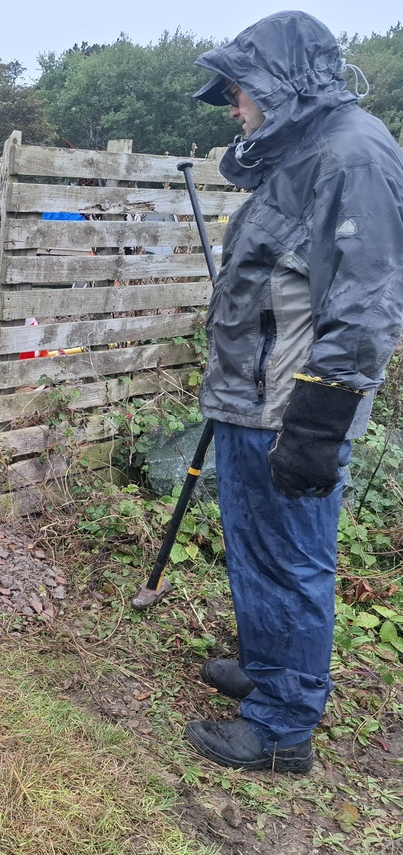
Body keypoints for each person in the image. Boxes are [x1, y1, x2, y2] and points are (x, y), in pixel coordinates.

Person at [185, 11, 403, 773]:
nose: (234, 107)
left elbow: (367, 302)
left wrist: (318, 422)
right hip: (252, 398)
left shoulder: (352, 157)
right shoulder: (300, 151)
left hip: (292, 407)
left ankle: (282, 726)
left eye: (239, 92)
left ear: (280, 85)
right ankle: (268, 666)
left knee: (293, 558)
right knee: (255, 546)